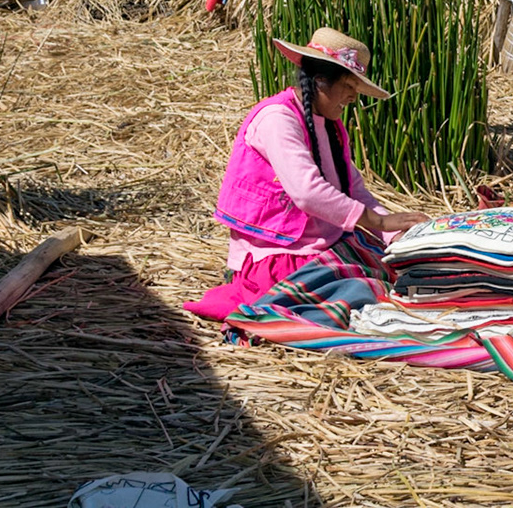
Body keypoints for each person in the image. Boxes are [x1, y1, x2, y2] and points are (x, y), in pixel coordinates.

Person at [183, 27, 429, 321]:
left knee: (395, 270)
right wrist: (376, 220)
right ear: (321, 80)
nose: (353, 97)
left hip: (317, 247)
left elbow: (353, 189)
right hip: (278, 256)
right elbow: (307, 192)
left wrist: (393, 234)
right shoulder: (277, 119)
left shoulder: (327, 125)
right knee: (367, 289)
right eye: (349, 86)